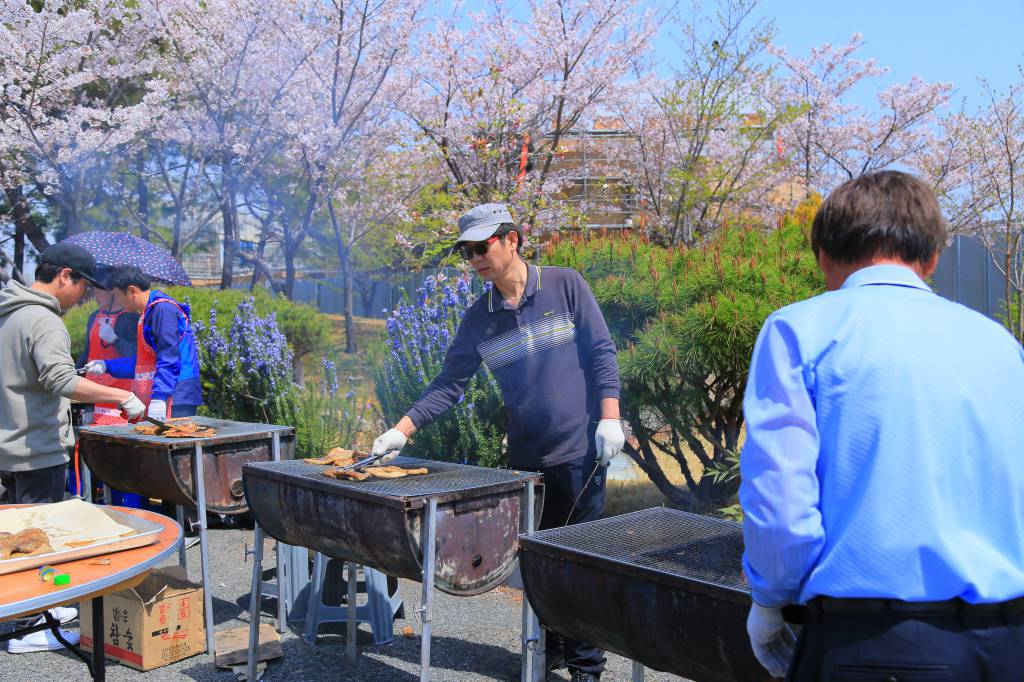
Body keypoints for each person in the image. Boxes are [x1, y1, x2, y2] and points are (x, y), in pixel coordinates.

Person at [740, 170, 1024, 680]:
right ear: (932, 259)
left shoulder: (798, 330)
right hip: (1008, 643)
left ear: (824, 254)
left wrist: (769, 598)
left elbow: (780, 504)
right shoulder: (1000, 343)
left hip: (873, 645)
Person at [370, 203, 625, 682]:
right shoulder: (479, 318)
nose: (475, 259)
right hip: (526, 463)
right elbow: (450, 384)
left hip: (580, 456)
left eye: (481, 246)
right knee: (539, 566)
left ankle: (586, 670)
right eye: (467, 252)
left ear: (512, 239)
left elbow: (601, 352)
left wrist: (610, 418)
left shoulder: (564, 285)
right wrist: (400, 430)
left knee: (577, 565)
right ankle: (547, 648)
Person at [0, 243, 146, 653]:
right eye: (82, 286)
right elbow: (60, 379)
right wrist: (120, 398)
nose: (83, 296)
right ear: (64, 275)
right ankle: (28, 629)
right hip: (35, 450)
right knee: (35, 541)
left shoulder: (7, 312)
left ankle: (15, 611)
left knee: (7, 540)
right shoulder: (44, 320)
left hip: (4, 447)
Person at [85, 265, 202, 420]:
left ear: (132, 291)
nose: (118, 301)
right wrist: (107, 366)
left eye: (119, 295)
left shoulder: (162, 309)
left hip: (176, 394)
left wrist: (159, 398)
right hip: (161, 391)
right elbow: (142, 363)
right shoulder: (145, 313)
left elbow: (169, 358)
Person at [76, 268, 139, 425]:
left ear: (113, 292)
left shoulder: (130, 317)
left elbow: (134, 355)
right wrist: (74, 375)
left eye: (100, 291)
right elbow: (87, 352)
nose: (96, 295)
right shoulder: (94, 317)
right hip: (92, 388)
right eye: (94, 290)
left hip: (117, 391)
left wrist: (115, 339)